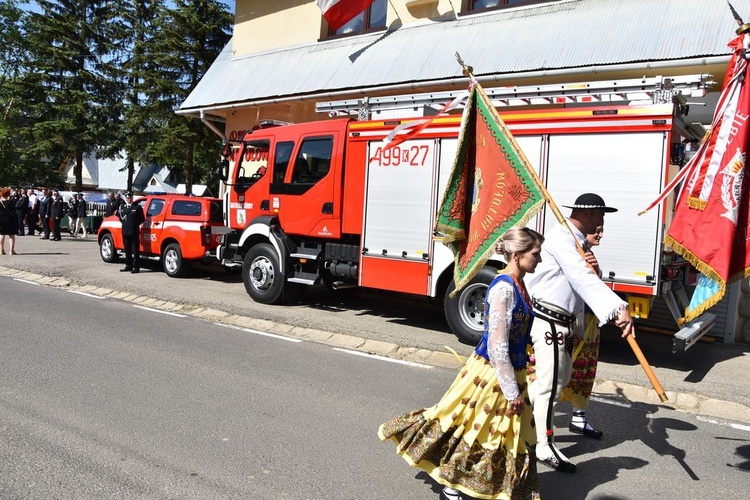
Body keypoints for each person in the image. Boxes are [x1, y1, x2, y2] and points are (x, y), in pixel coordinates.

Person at [379, 227, 544, 500]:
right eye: (535, 254)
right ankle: (451, 485)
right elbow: (497, 344)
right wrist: (511, 390)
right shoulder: (504, 288)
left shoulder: (519, 283)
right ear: (517, 254)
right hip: (493, 373)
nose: (539, 260)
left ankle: (499, 485)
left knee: (503, 433)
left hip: (511, 370)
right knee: (476, 429)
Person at [525, 193, 634, 474]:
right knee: (549, 388)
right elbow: (579, 277)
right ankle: (543, 445)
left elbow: (578, 284)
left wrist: (576, 324)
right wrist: (617, 308)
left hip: (563, 323)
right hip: (548, 321)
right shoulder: (562, 238)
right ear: (587, 213)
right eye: (600, 215)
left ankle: (519, 424)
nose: (602, 222)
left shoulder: (576, 240)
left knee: (555, 384)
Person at [559, 224, 605, 438]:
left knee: (585, 370)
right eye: (596, 229)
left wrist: (596, 271)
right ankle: (541, 424)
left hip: (590, 323)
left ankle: (579, 417)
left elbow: (595, 287)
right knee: (559, 370)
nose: (600, 234)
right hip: (572, 322)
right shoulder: (569, 252)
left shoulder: (589, 254)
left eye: (602, 229)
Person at [118, 192, 145, 273]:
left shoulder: (137, 207)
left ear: (132, 198)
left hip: (134, 231)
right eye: (127, 198)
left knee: (135, 250)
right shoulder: (122, 207)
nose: (129, 199)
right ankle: (128, 265)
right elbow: (121, 218)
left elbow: (142, 219)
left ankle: (136, 267)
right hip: (125, 231)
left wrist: (134, 225)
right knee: (127, 249)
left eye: (130, 197)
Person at [0, 187, 19, 254]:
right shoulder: (11, 202)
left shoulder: (0, 202)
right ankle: (11, 250)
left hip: (1, 219)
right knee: (11, 235)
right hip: (10, 219)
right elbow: (14, 210)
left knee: (2, 235)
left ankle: (1, 250)